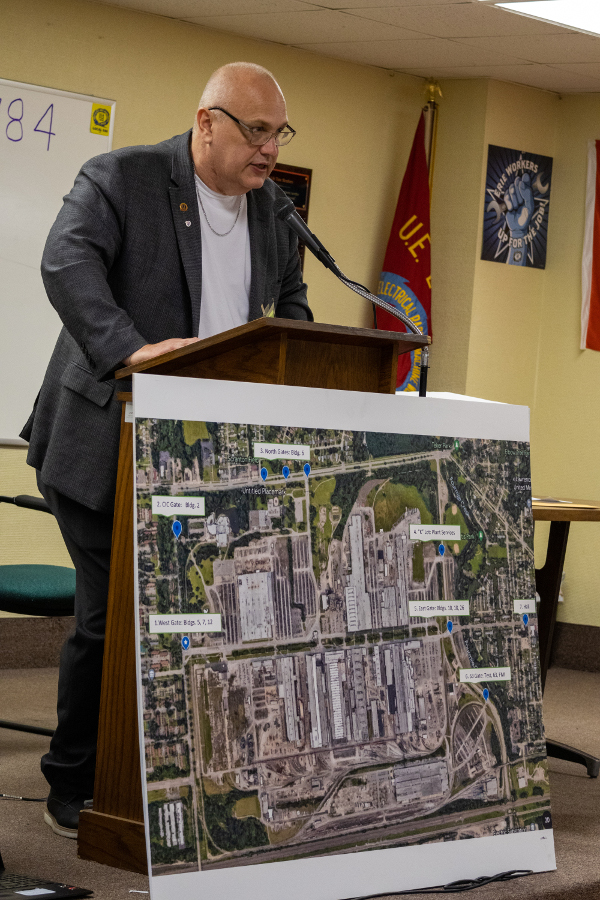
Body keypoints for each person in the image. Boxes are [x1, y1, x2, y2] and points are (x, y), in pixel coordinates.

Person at [20, 61, 312, 839]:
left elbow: (294, 310)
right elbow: (65, 263)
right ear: (206, 122)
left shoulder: (274, 213)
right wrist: (133, 351)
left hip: (210, 458)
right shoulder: (123, 177)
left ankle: (168, 779)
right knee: (115, 612)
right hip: (102, 439)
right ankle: (73, 783)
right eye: (256, 129)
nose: (269, 148)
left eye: (279, 133)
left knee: (201, 623)